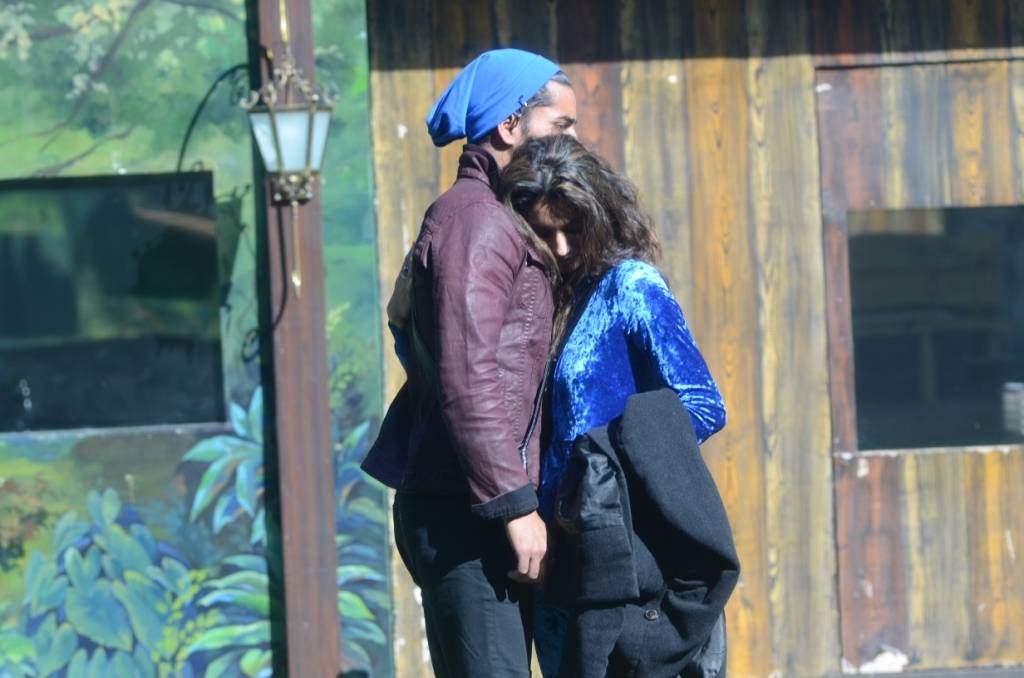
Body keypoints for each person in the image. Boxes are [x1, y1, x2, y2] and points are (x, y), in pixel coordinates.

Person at [362, 48, 577, 678]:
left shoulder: (500, 219)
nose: (572, 142)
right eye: (560, 126)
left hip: (481, 505)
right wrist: (514, 505)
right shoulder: (476, 222)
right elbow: (466, 376)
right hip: (468, 513)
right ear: (511, 125)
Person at [497, 134, 729, 676]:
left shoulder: (631, 285)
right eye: (543, 231)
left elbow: (704, 404)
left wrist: (610, 465)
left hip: (625, 559)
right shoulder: (547, 298)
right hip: (557, 567)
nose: (560, 247)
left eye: (572, 228)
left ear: (599, 216)